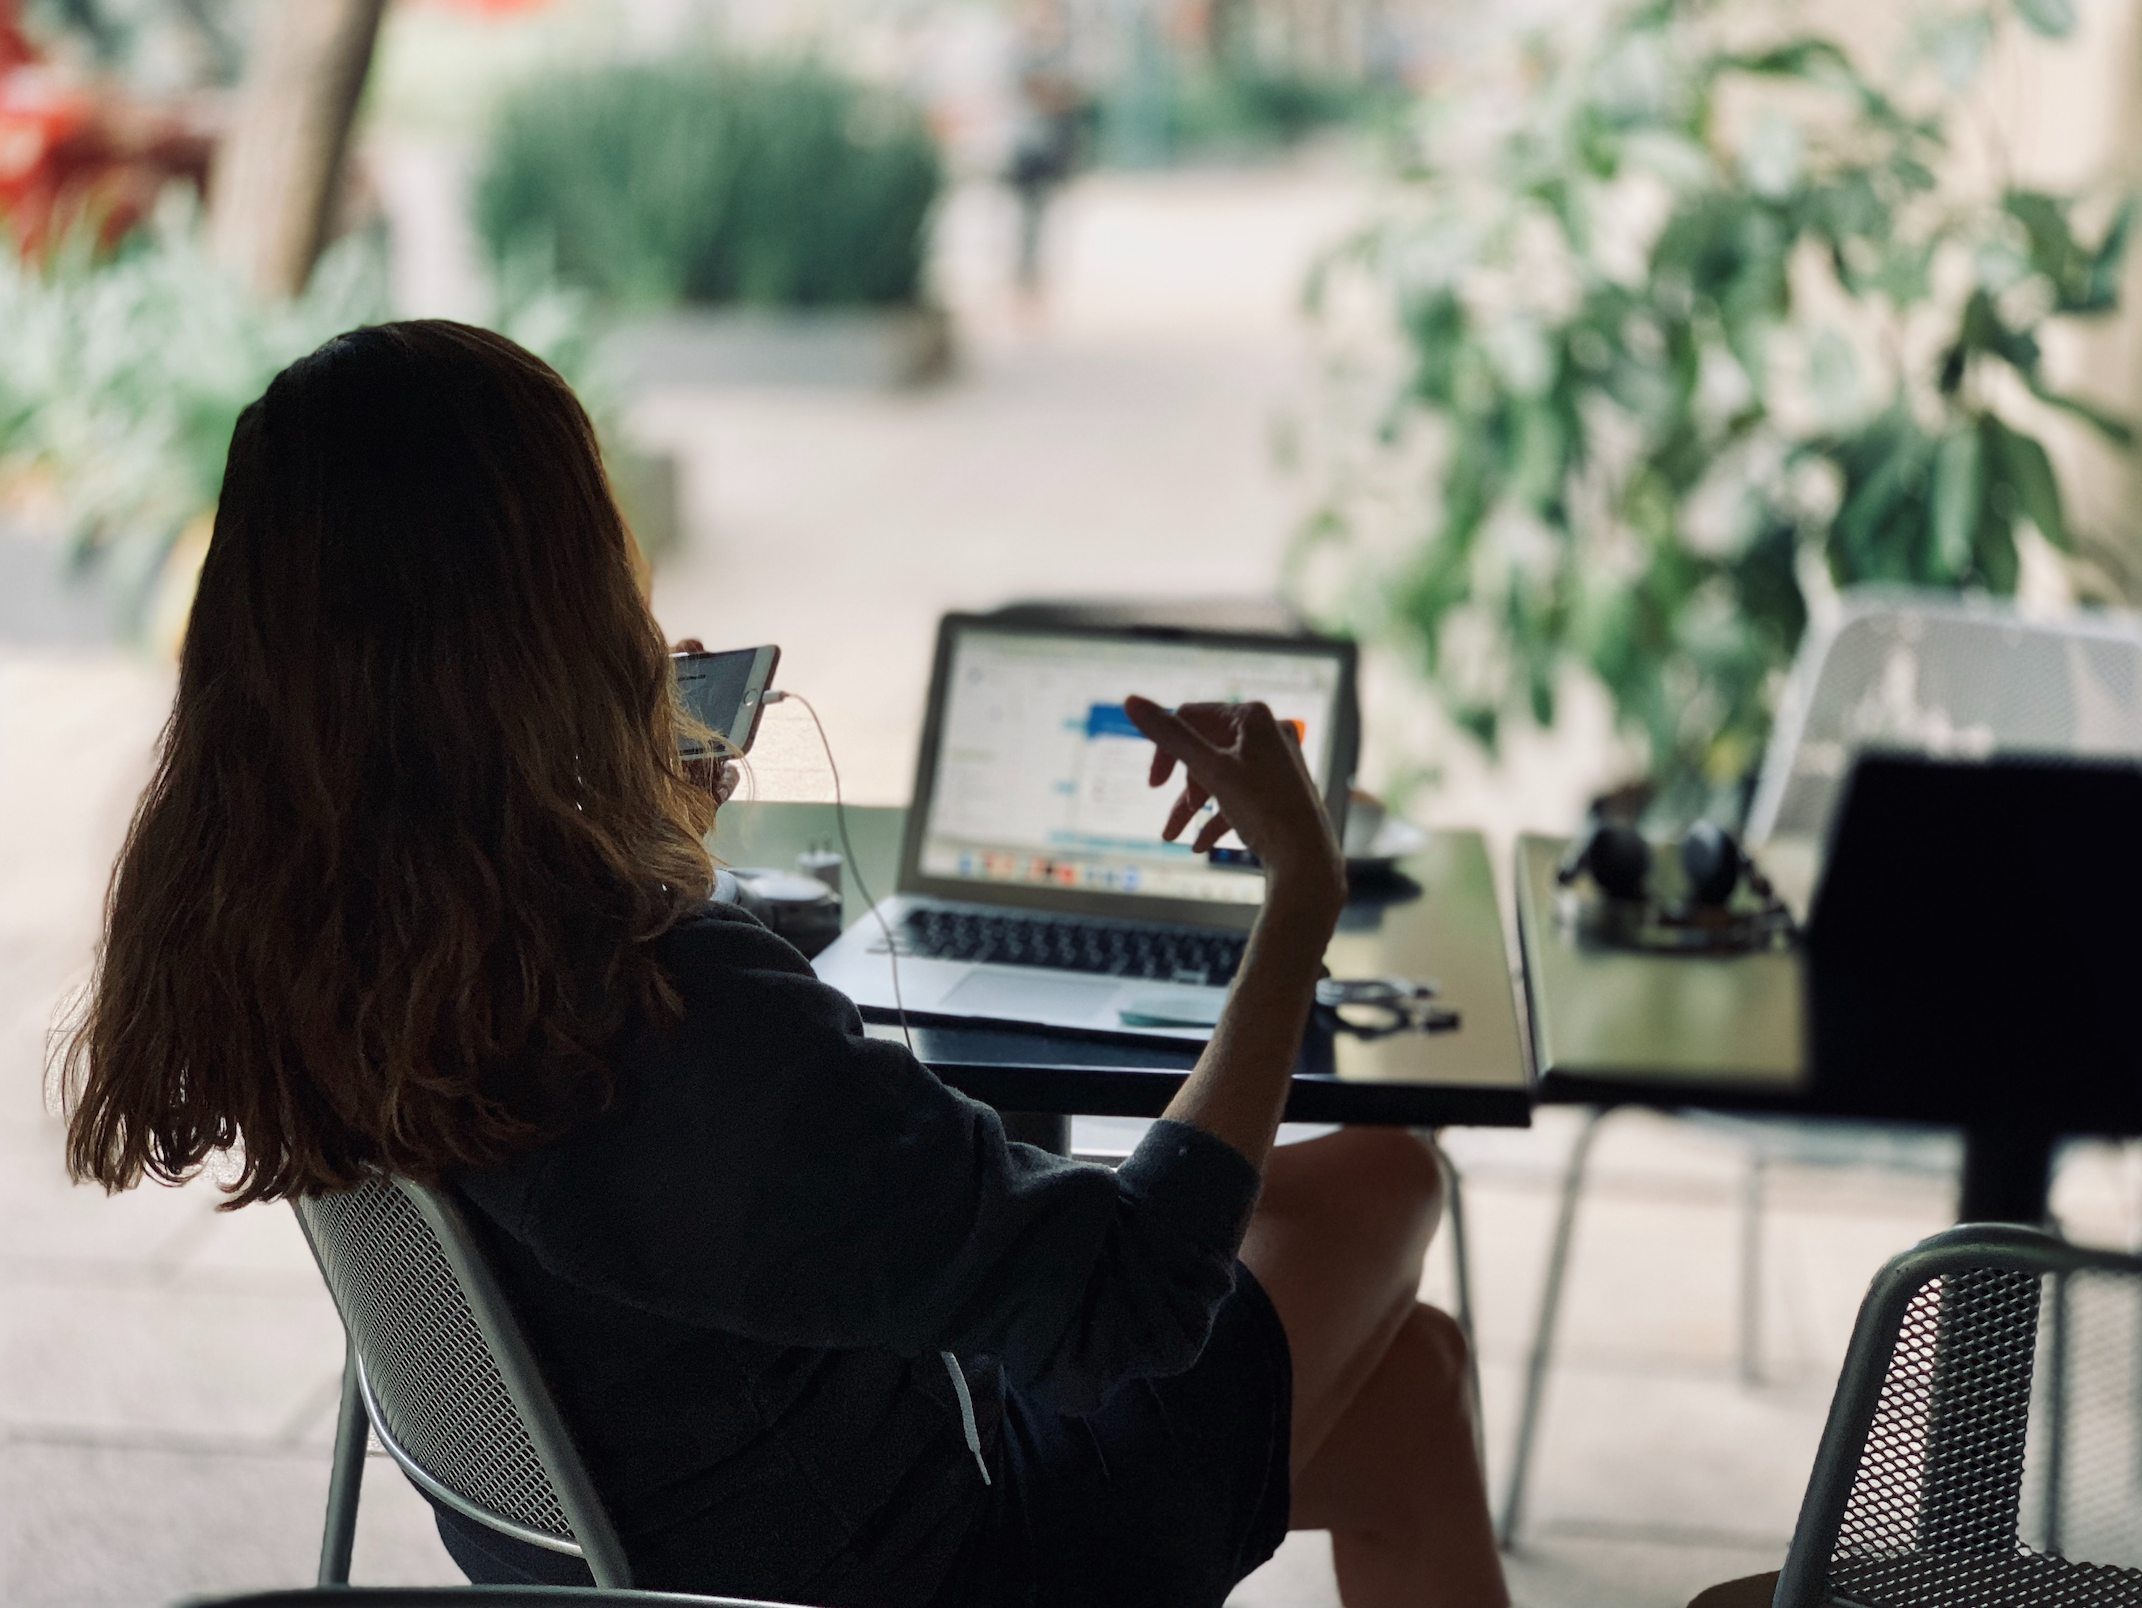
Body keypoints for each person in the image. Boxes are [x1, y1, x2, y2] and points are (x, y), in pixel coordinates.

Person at [60, 321, 1507, 1608]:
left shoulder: (307, 934)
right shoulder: (651, 1007)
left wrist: (640, 832)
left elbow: (696, 1177)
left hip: (640, 1532)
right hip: (922, 1564)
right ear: (553, 603)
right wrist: (1294, 910)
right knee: (1384, 1176)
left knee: (1416, 1386)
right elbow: (1118, 1311)